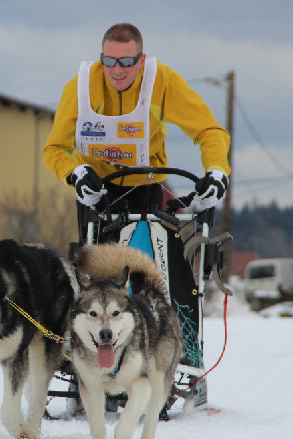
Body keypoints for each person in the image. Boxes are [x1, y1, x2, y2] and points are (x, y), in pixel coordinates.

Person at [43, 23, 230, 400]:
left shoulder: (162, 81)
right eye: (109, 60)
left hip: (147, 190)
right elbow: (54, 149)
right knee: (97, 284)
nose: (117, 70)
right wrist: (75, 173)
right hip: (97, 194)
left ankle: (177, 360)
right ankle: (89, 366)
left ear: (140, 59)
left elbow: (208, 130)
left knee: (154, 278)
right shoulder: (80, 87)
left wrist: (216, 170)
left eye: (126, 61)